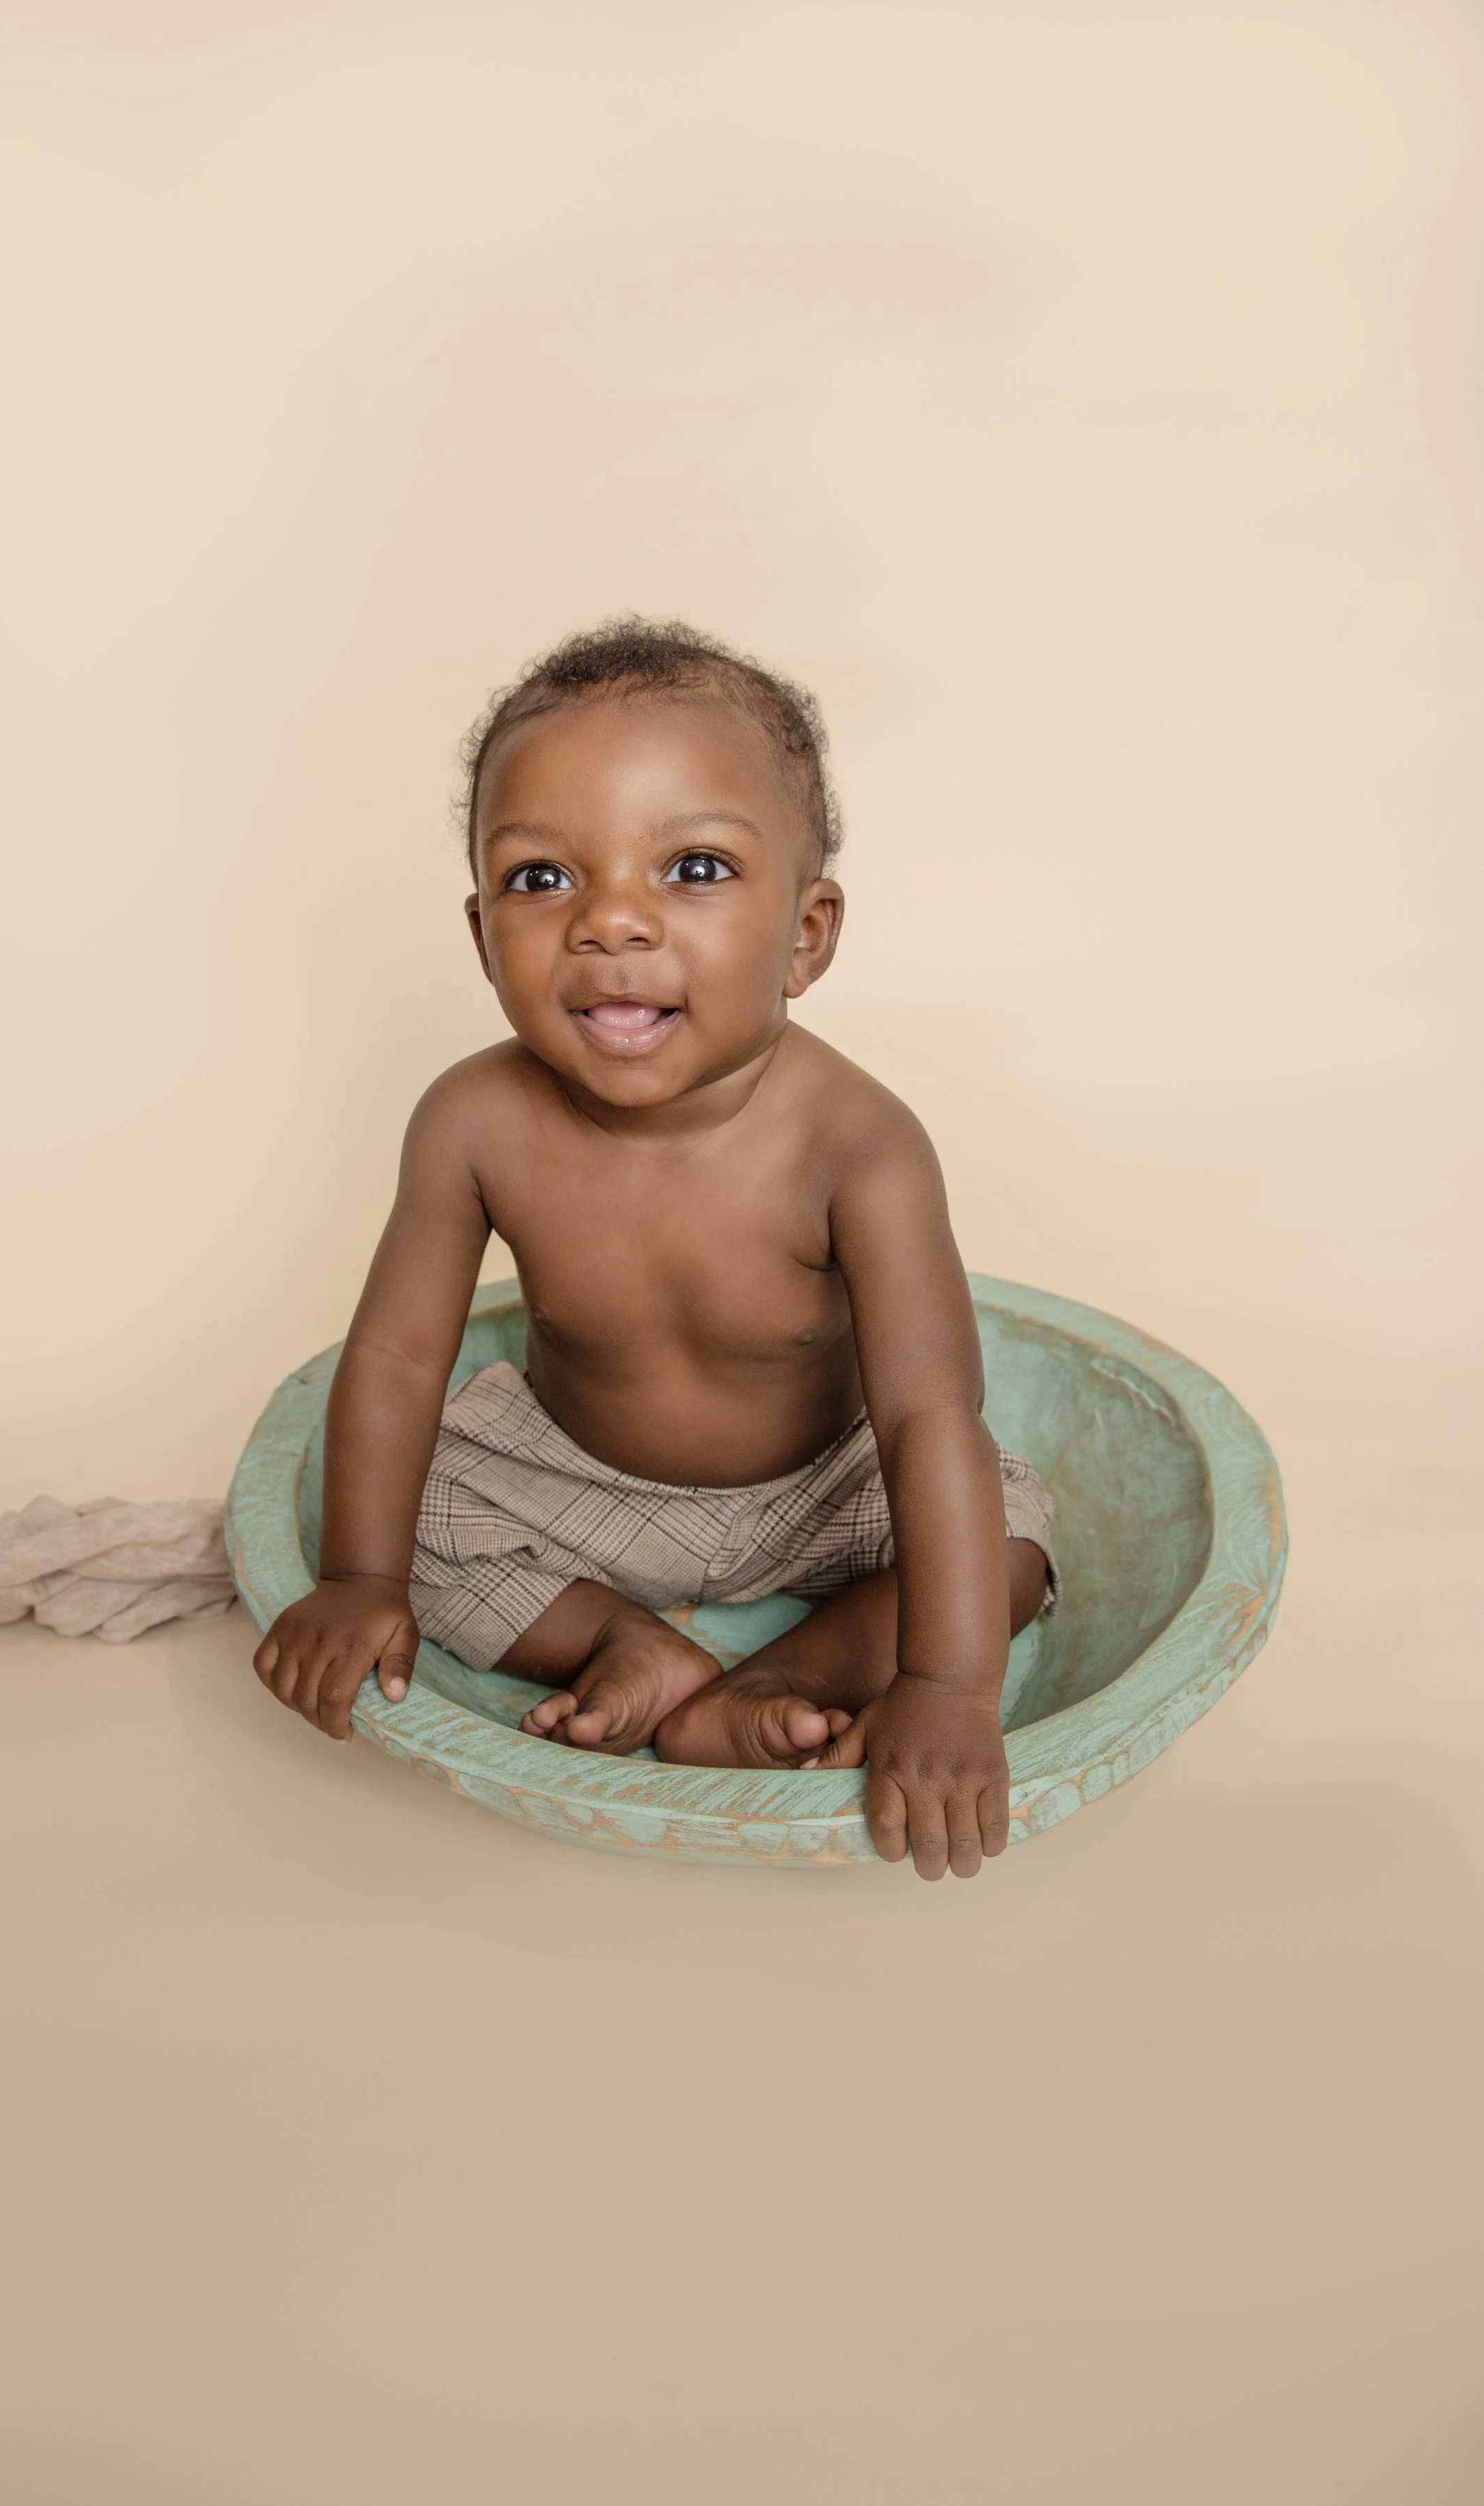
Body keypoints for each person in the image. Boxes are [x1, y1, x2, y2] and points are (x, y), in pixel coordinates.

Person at [253, 620, 1059, 1877]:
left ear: (807, 933)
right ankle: (625, 1641)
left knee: (1003, 1544)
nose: (610, 923)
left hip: (829, 1490)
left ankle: (779, 1676)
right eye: (542, 879)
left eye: (691, 867)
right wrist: (363, 1575)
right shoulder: (473, 1121)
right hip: (583, 1486)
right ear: (481, 938)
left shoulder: (861, 1144)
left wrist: (950, 1689)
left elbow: (924, 1419)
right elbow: (403, 1358)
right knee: (387, 1502)